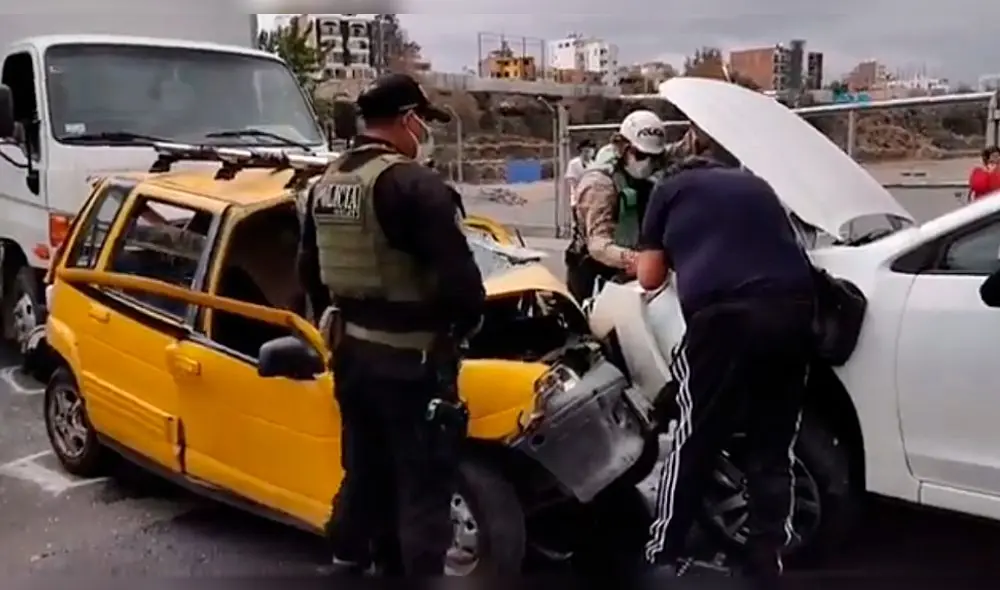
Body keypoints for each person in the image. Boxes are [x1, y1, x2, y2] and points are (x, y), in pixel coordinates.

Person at [296, 72, 485, 576]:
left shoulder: (325, 183)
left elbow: (309, 271)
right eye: (423, 121)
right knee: (423, 484)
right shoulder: (416, 186)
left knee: (365, 470)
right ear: (407, 120)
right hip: (412, 362)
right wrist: (460, 333)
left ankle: (354, 559)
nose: (425, 133)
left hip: (354, 359)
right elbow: (461, 283)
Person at [636, 132, 816, 580]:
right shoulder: (756, 184)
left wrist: (675, 254)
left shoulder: (667, 190)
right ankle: (765, 556)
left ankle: (665, 552)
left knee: (695, 435)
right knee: (773, 443)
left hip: (724, 317)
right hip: (794, 309)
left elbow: (649, 277)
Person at [564, 110, 681, 302]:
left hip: (634, 274)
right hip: (595, 273)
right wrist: (636, 259)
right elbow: (598, 244)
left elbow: (680, 151)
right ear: (623, 148)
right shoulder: (600, 184)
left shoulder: (644, 178)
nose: (647, 163)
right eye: (641, 155)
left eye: (654, 158)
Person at [564, 139, 597, 203]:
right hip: (578, 196)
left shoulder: (594, 164)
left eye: (592, 149)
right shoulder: (574, 163)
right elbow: (571, 182)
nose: (590, 152)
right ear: (582, 150)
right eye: (587, 150)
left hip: (591, 197)